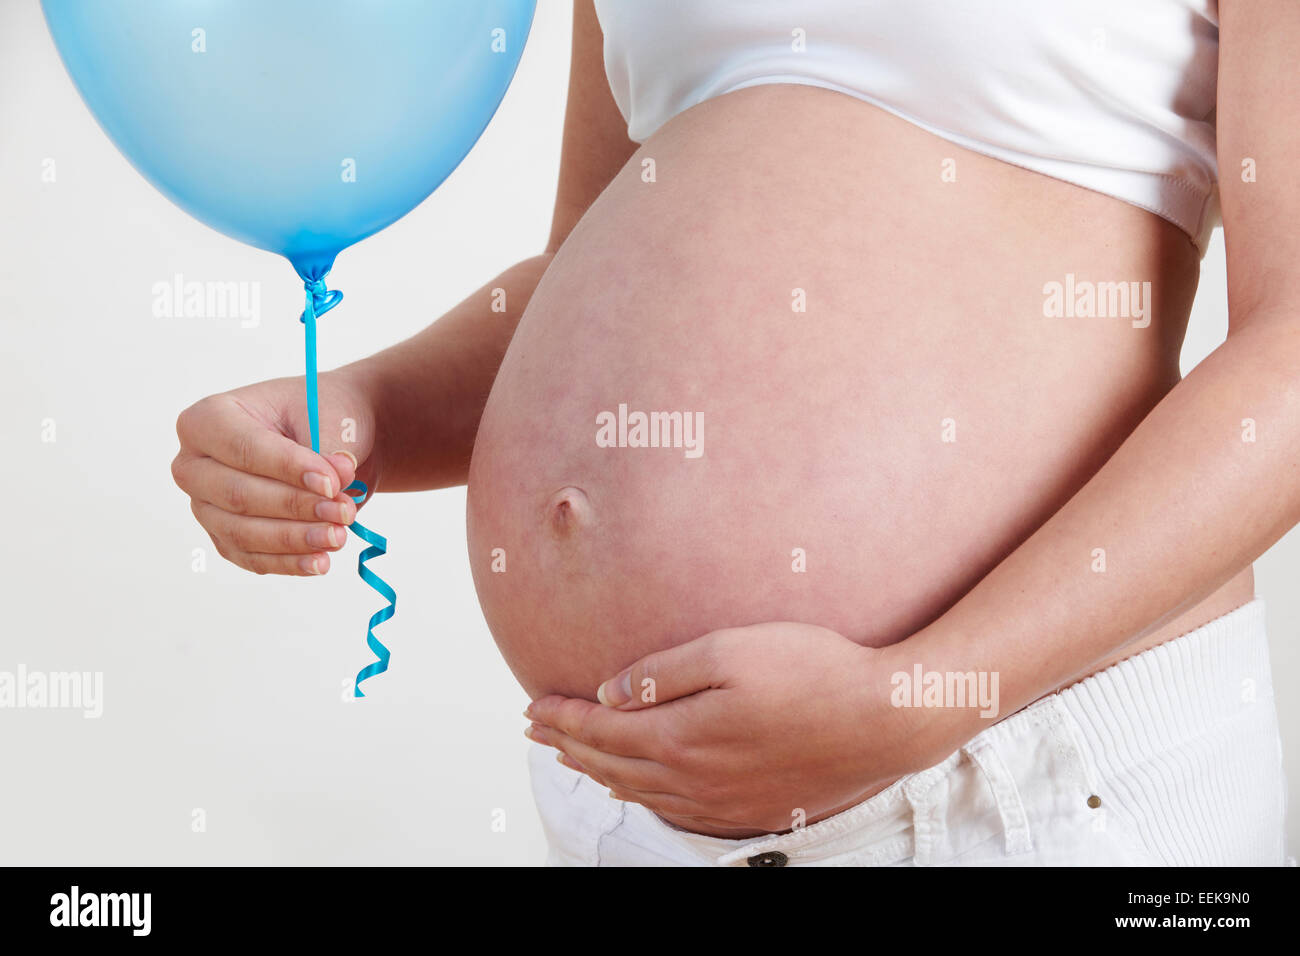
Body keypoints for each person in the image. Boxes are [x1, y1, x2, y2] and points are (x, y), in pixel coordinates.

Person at [171, 1, 1293, 866]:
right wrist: (361, 407)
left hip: (1014, 777)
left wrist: (927, 690)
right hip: (645, 807)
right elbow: (589, 269)